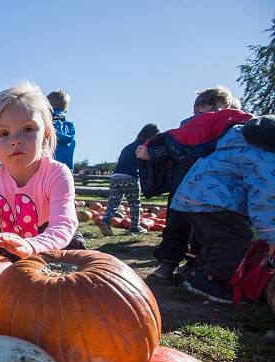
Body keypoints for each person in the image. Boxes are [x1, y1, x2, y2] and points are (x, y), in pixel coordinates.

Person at [0, 82, 82, 264]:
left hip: (57, 247)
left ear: (46, 134)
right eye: (3, 133)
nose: (15, 140)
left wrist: (31, 246)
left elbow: (63, 225)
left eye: (28, 129)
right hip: (13, 247)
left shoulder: (57, 174)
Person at [165, 115, 275, 304]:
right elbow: (264, 200)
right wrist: (272, 237)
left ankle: (196, 272)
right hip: (214, 201)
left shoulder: (234, 144)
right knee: (237, 237)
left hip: (190, 197)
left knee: (215, 240)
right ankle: (209, 279)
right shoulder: (265, 158)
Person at [143, 86, 244, 280]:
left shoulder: (228, 125)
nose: (215, 113)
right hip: (183, 182)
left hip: (213, 187)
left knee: (203, 232)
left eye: (219, 109)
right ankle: (168, 263)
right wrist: (151, 153)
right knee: (176, 224)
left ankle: (195, 265)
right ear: (198, 108)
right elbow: (169, 146)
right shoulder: (188, 127)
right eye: (210, 109)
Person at [98, 123, 160, 236]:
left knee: (113, 203)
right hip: (130, 177)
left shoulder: (128, 146)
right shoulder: (143, 147)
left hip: (115, 177)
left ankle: (105, 221)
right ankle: (135, 227)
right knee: (134, 204)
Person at [47, 90, 75, 170]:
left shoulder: (47, 125)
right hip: (67, 170)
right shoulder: (71, 127)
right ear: (66, 110)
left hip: (49, 169)